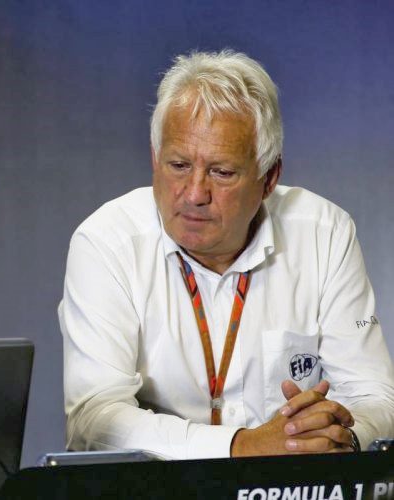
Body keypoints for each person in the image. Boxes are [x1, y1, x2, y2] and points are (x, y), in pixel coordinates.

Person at [59, 50, 394, 460]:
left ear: (269, 178)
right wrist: (241, 447)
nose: (195, 194)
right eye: (178, 165)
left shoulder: (325, 233)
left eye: (221, 172)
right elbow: (93, 419)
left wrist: (338, 435)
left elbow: (375, 396)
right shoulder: (107, 242)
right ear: (153, 159)